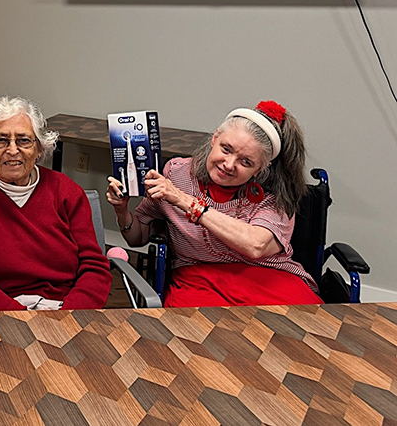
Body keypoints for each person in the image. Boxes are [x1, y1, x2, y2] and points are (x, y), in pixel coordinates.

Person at [106, 101, 320, 307]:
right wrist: (121, 210)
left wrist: (183, 200)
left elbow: (255, 245)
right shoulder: (177, 174)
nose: (228, 165)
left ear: (261, 168)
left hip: (267, 278)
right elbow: (137, 239)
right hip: (196, 279)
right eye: (226, 149)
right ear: (214, 138)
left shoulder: (275, 194)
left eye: (246, 162)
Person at [0, 97, 112, 311]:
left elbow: (94, 266)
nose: (12, 150)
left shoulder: (66, 191)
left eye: (23, 140)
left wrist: (69, 315)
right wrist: (13, 314)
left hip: (63, 308)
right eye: (1, 140)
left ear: (39, 148)